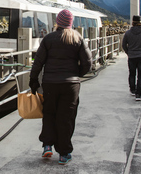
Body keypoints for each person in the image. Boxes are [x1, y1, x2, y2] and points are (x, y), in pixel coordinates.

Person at [29, 9, 92, 165]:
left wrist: (33, 80)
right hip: (70, 85)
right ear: (70, 23)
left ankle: (47, 145)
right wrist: (77, 73)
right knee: (66, 118)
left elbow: (38, 62)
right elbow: (88, 63)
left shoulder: (48, 39)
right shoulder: (77, 38)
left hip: (50, 83)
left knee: (49, 113)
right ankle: (64, 154)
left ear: (57, 22)